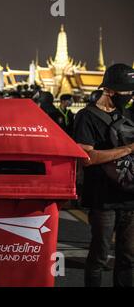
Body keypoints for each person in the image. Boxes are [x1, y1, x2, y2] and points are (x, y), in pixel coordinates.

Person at [73, 63, 134, 287]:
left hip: (130, 196)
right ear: (109, 90)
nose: (129, 96)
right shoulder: (86, 117)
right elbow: (86, 158)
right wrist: (127, 149)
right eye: (126, 92)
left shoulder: (129, 113)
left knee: (127, 258)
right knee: (99, 256)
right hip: (102, 198)